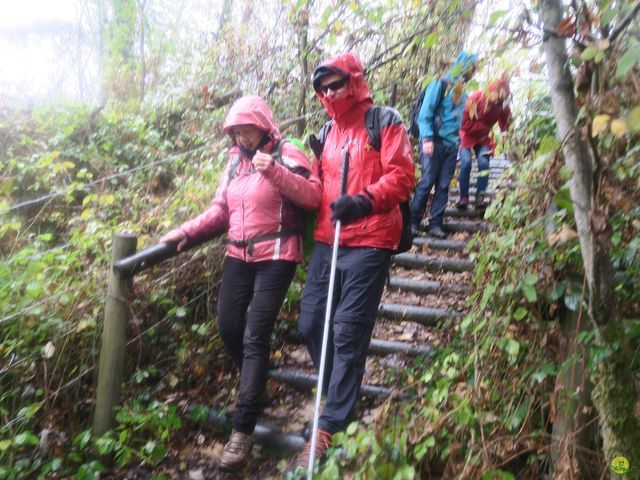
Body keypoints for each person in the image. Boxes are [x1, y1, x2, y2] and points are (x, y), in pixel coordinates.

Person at [160, 95, 322, 472]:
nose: (243, 139)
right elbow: (221, 209)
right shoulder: (234, 160)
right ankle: (257, 383)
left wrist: (274, 172)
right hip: (238, 253)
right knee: (228, 326)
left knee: (254, 335)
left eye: (247, 130)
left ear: (263, 125)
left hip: (279, 253)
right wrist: (187, 231)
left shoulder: (286, 152)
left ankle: (242, 429)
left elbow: (313, 197)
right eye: (236, 132)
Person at [296, 52, 414, 467]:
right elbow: (317, 181)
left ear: (355, 81)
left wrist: (362, 202)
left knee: (348, 330)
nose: (330, 92)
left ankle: (330, 422)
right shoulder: (326, 131)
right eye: (323, 86)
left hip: (373, 238)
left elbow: (402, 177)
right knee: (310, 321)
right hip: (330, 239)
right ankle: (341, 390)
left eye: (337, 83)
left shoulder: (384, 121)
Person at [410, 51, 478, 238]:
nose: (474, 71)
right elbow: (425, 113)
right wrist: (427, 139)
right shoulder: (440, 84)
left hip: (451, 145)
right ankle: (413, 222)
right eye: (472, 66)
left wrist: (459, 143)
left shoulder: (461, 90)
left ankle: (435, 224)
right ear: (464, 66)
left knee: (443, 186)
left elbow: (458, 119)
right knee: (426, 182)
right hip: (434, 142)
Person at [457, 77, 512, 210]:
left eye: (501, 99)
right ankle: (463, 197)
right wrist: (485, 128)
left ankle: (479, 198)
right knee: (466, 163)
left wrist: (508, 141)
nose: (498, 101)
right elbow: (463, 123)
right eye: (497, 98)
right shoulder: (476, 98)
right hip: (466, 135)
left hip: (483, 139)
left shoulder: (502, 106)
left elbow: (506, 125)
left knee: (484, 164)